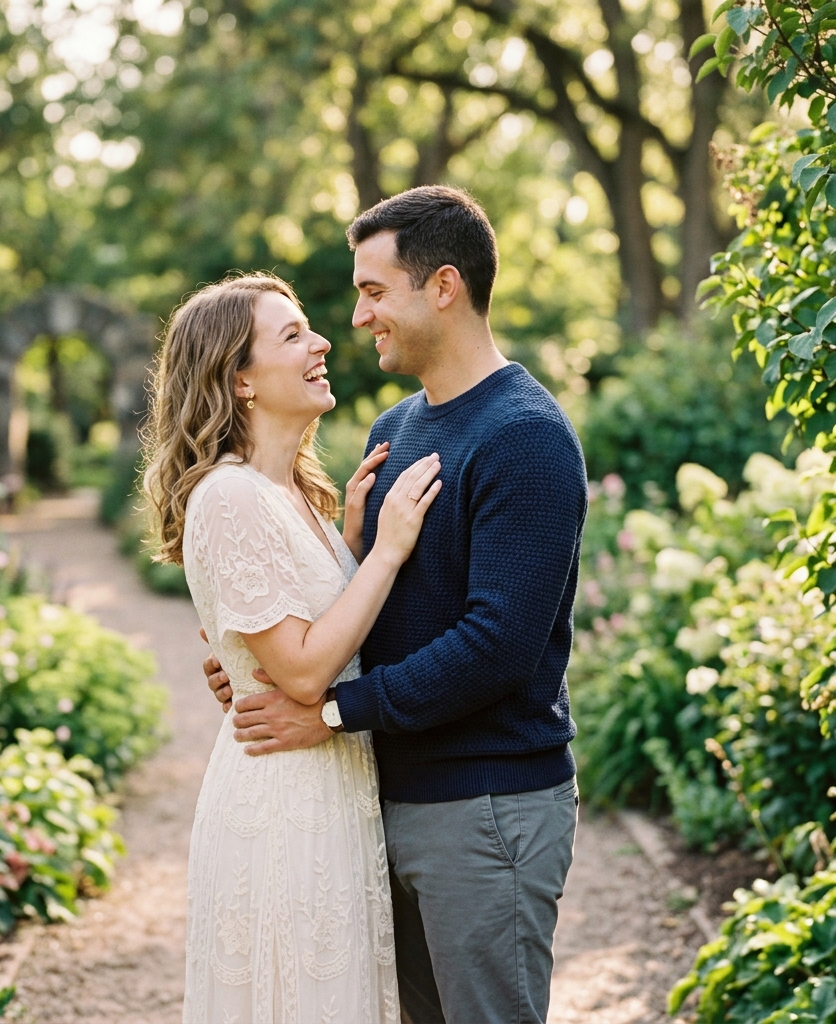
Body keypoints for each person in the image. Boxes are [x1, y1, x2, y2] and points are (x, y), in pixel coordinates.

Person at [203, 186, 588, 1024]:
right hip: (382, 802)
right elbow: (370, 606)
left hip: (485, 812)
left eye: (374, 291)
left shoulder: (526, 435)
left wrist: (332, 711)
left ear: (442, 287)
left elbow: (496, 646)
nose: (358, 316)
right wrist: (261, 663)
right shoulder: (396, 427)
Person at [143, 272, 444, 1023]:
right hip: (282, 805)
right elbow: (306, 670)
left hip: (327, 790)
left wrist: (344, 539)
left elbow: (295, 627)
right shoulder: (230, 495)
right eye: (291, 335)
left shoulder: (291, 496)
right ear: (240, 379)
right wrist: (386, 551)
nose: (319, 343)